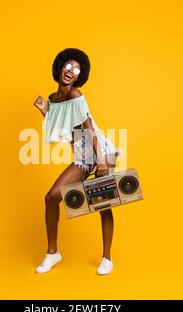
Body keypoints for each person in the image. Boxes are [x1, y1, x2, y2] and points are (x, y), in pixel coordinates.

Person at [33, 48, 120, 275]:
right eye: (68, 66)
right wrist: (45, 111)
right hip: (82, 155)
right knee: (51, 197)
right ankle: (53, 253)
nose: (71, 71)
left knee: (103, 203)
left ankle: (107, 258)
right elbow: (63, 130)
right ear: (60, 67)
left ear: (79, 76)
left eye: (76, 69)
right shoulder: (54, 99)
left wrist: (101, 160)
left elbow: (89, 129)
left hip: (100, 150)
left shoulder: (75, 95)